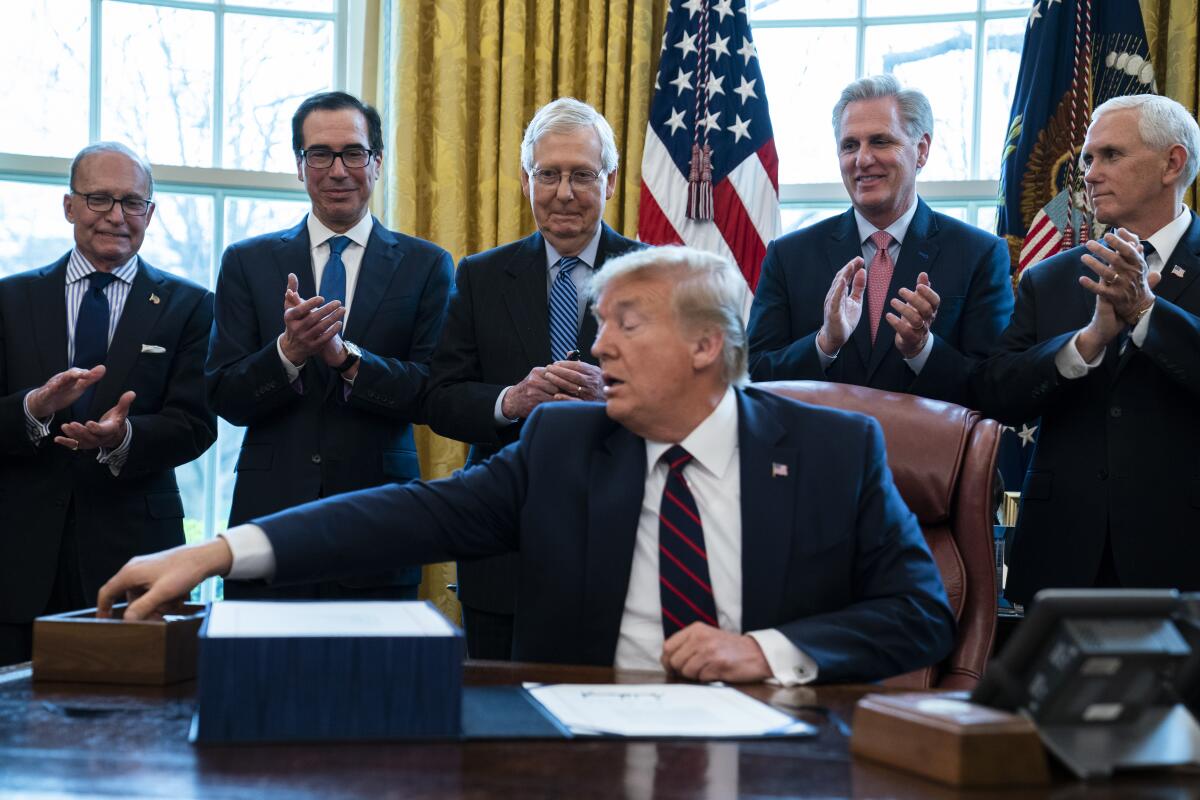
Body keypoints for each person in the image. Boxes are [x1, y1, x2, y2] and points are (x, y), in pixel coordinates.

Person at [101, 246, 954, 685]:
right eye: (600, 322)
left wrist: (765, 653)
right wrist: (214, 553)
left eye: (627, 323)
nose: (597, 345)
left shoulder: (834, 452)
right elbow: (406, 513)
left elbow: (919, 617)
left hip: (771, 752)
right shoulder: (564, 443)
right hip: (580, 754)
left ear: (705, 345)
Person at [206, 91, 453, 601]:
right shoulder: (247, 262)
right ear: (300, 166)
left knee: (374, 678)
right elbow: (225, 396)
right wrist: (288, 354)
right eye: (319, 154)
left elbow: (432, 393)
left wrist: (347, 360)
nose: (338, 169)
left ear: (377, 162)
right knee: (262, 677)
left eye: (353, 153)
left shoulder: (426, 265)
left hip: (380, 516)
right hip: (270, 516)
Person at [422, 98, 643, 658]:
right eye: (549, 174)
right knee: (498, 721)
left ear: (611, 182)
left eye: (582, 175)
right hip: (504, 541)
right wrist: (510, 400)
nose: (564, 192)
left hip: (620, 541)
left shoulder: (655, 275)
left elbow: (693, 403)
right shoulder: (479, 276)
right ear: (526, 182)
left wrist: (613, 395)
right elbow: (441, 397)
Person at [973, 94, 1200, 605]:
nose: (1090, 174)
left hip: (1183, 555)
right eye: (1087, 159)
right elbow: (996, 392)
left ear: (1172, 163)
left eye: (1111, 156)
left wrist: (1146, 313)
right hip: (1062, 556)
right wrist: (1086, 342)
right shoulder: (1051, 277)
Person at [0, 143, 216, 665]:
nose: (117, 216)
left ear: (150, 213)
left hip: (135, 550)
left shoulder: (191, 306)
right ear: (70, 206)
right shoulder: (10, 300)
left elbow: (196, 424)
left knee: (129, 724)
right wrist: (34, 407)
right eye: (99, 199)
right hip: (17, 555)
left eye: (132, 202)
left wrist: (124, 438)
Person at [746, 75, 1012, 406]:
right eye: (849, 145)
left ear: (922, 150)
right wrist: (824, 344)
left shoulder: (979, 255)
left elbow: (995, 390)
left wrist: (922, 350)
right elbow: (752, 376)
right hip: (816, 455)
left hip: (925, 455)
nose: (862, 159)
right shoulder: (789, 256)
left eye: (881, 142)